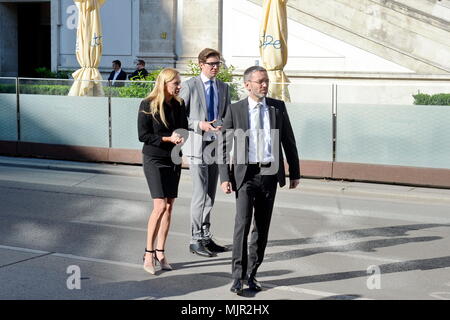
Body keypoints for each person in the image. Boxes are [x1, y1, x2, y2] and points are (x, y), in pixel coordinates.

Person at [218, 66, 300, 294]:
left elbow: (288, 141)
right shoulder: (235, 110)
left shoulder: (277, 107)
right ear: (247, 85)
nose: (265, 85)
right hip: (246, 176)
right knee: (241, 226)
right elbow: (224, 146)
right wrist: (225, 176)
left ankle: (251, 274)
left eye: (266, 81)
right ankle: (237, 276)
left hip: (270, 175)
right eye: (260, 81)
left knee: (261, 229)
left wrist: (294, 172)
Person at [179, 48, 231, 257]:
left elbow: (226, 115)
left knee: (210, 193)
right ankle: (194, 239)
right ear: (201, 64)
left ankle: (205, 236)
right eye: (211, 64)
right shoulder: (189, 85)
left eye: (218, 63)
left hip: (215, 145)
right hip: (196, 144)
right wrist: (198, 124)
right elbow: (179, 117)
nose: (215, 67)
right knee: (200, 194)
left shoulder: (223, 87)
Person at [137, 68, 188, 275]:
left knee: (169, 206)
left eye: (179, 82)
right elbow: (143, 135)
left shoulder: (179, 104)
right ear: (164, 83)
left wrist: (181, 136)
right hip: (154, 157)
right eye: (175, 83)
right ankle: (148, 253)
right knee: (159, 205)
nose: (179, 86)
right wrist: (168, 139)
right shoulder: (147, 104)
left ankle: (161, 252)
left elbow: (184, 128)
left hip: (173, 158)